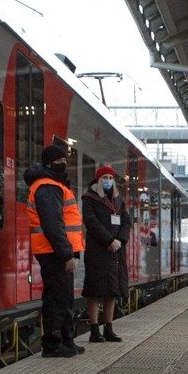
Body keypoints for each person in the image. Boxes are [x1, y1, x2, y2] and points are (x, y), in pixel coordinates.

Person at [26, 141, 84, 358]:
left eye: (64, 161)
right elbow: (53, 224)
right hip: (53, 252)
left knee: (65, 297)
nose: (64, 164)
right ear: (49, 163)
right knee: (57, 298)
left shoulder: (55, 185)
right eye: (60, 161)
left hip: (56, 251)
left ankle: (66, 340)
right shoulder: (46, 186)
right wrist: (66, 253)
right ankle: (52, 344)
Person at [81, 165, 130, 343]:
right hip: (98, 251)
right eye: (105, 178)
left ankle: (108, 328)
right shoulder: (89, 198)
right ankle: (94, 330)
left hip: (116, 251)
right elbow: (91, 223)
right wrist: (109, 240)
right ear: (98, 180)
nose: (108, 181)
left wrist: (120, 241)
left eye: (110, 177)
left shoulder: (118, 200)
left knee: (112, 291)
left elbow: (127, 223)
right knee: (94, 291)